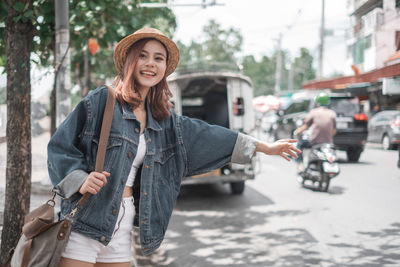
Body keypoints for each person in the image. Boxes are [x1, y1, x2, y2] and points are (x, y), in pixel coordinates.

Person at [48, 27, 301, 267]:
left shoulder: (165, 122)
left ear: (164, 68)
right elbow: (60, 146)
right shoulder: (103, 100)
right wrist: (80, 179)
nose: (150, 64)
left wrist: (264, 147)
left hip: (123, 224)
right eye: (143, 56)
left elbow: (209, 136)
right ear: (130, 62)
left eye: (158, 58)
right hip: (86, 220)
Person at [293, 91, 337, 172]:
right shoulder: (332, 113)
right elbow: (334, 131)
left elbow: (306, 126)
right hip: (328, 143)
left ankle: (300, 166)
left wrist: (298, 132)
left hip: (314, 142)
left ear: (318, 102)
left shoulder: (314, 112)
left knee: (298, 145)